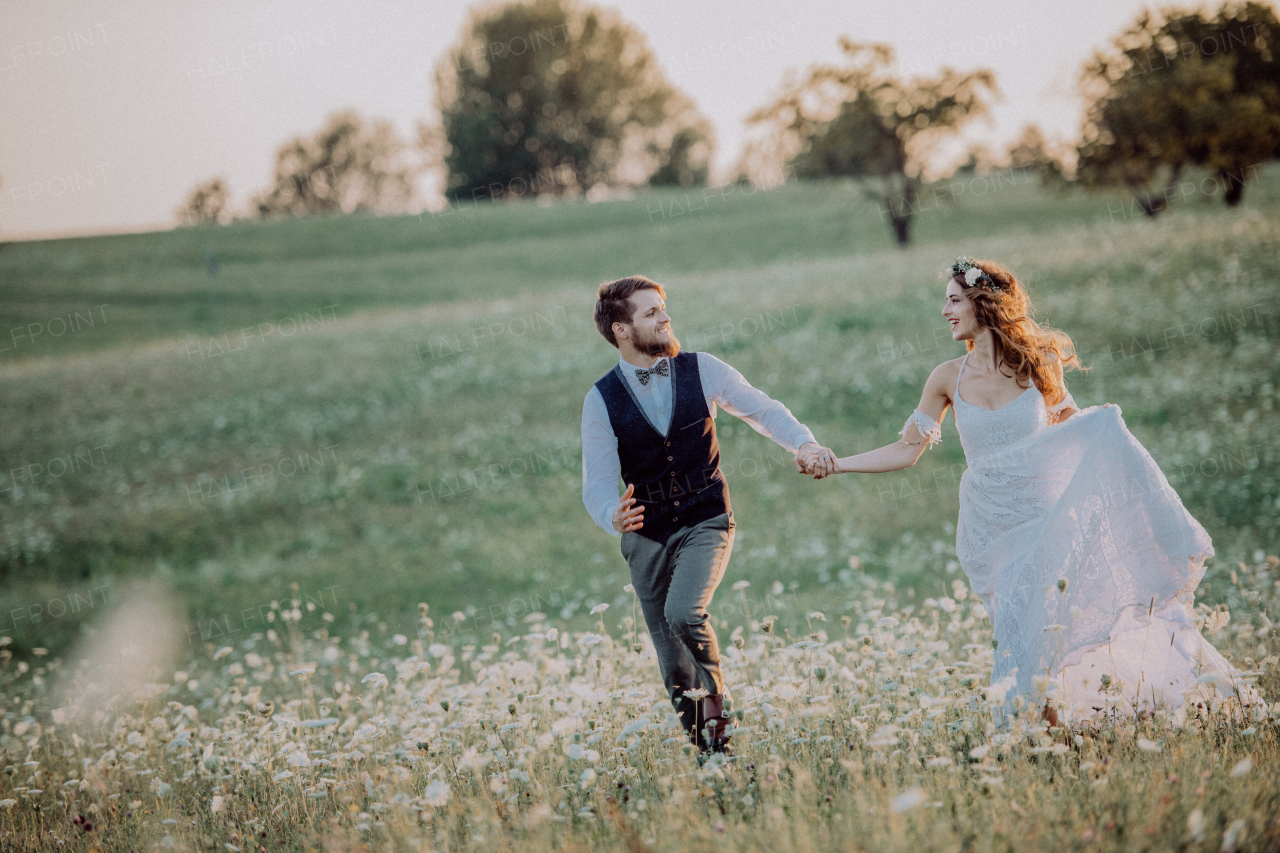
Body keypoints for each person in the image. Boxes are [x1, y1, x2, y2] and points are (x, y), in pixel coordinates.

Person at [803, 257, 1261, 726]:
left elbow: (1073, 430)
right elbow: (906, 450)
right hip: (990, 526)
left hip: (1044, 518)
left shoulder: (1036, 363)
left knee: (1042, 629)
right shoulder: (946, 377)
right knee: (1019, 628)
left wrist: (1104, 424)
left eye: (954, 300)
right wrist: (839, 464)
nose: (945, 310)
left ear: (985, 305)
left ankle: (1051, 733)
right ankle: (1049, 738)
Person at [582, 275, 837, 754]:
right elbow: (596, 483)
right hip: (646, 536)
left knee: (685, 612)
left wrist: (804, 442)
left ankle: (720, 710)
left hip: (706, 518)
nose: (665, 318)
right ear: (621, 329)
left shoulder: (703, 369)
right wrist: (608, 515)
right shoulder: (599, 399)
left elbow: (763, 410)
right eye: (651, 312)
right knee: (673, 667)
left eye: (664, 308)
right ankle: (714, 759)